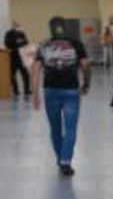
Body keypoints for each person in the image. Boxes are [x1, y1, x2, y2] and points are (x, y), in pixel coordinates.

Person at [31, 17, 91, 176]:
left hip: (51, 91)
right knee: (71, 127)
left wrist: (35, 93)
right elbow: (86, 65)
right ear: (65, 27)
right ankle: (65, 161)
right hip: (71, 90)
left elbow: (35, 70)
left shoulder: (44, 45)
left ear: (50, 28)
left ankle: (61, 159)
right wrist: (86, 83)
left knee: (55, 128)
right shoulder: (76, 43)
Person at [4, 21, 30, 98]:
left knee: (26, 75)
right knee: (12, 75)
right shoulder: (8, 33)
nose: (16, 26)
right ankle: (16, 91)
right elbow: (7, 43)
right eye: (15, 24)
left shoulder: (21, 33)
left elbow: (26, 42)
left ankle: (27, 90)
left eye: (17, 24)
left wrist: (17, 42)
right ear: (12, 25)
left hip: (22, 56)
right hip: (13, 56)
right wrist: (17, 42)